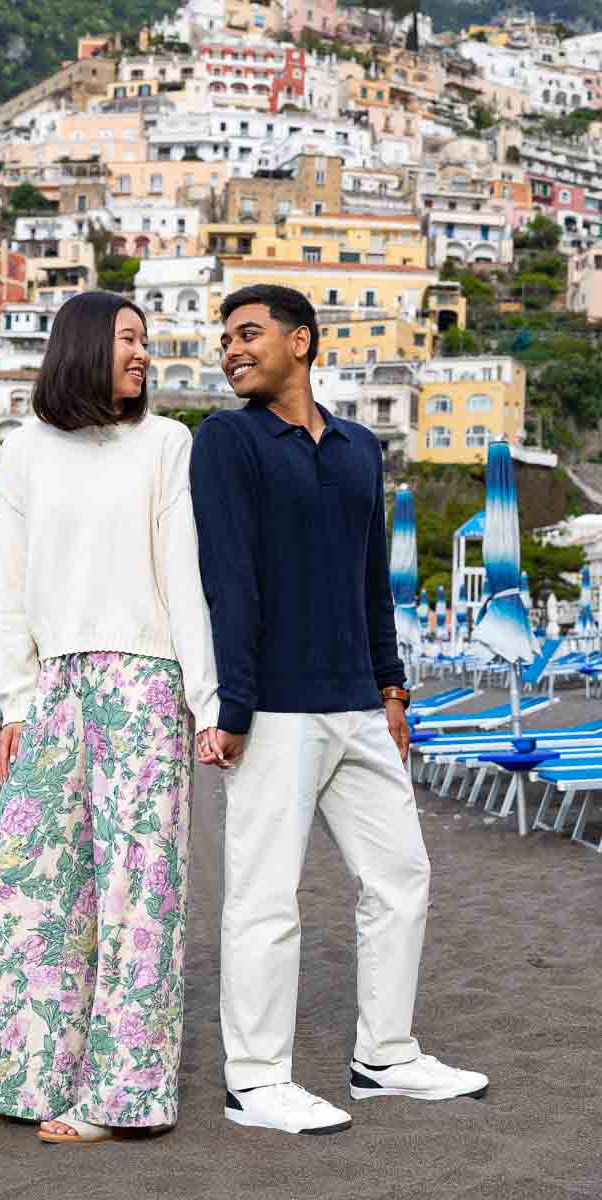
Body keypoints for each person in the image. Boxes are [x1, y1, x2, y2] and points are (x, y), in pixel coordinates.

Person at [0, 291, 225, 1144]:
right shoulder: (25, 450)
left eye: (146, 342)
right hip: (52, 689)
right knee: (21, 890)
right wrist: (16, 698)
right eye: (128, 340)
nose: (143, 354)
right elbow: (16, 583)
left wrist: (206, 701)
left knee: (137, 895)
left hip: (144, 681)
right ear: (83, 345)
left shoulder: (165, 443)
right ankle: (4, 1079)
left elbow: (184, 575)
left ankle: (124, 1100)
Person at [189, 284, 489, 1137]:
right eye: (225, 339)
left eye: (248, 334)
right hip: (273, 710)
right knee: (263, 896)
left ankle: (384, 1058)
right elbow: (229, 577)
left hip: (359, 705)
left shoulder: (360, 449)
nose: (231, 350)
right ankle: (255, 1082)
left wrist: (393, 690)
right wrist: (234, 704)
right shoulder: (225, 441)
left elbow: (372, 581)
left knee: (401, 877)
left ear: (302, 343)